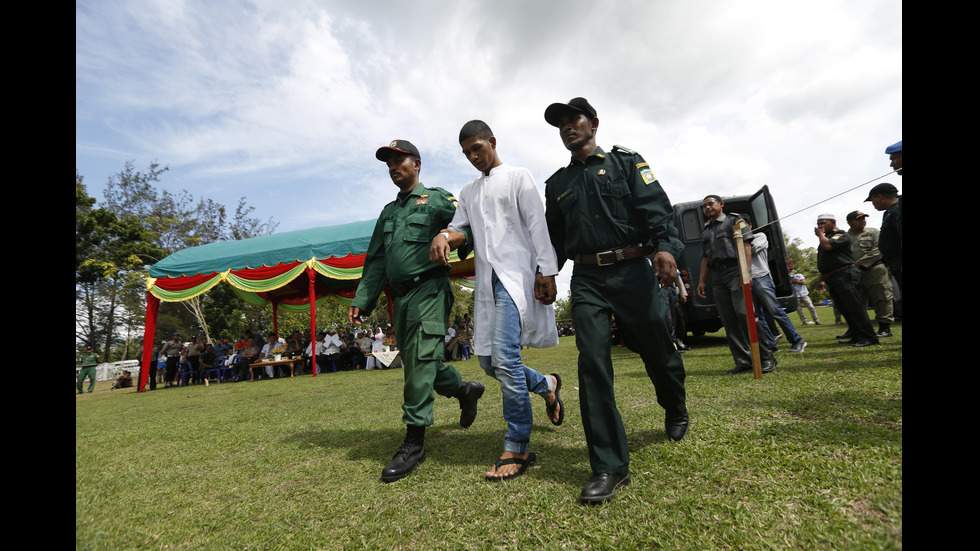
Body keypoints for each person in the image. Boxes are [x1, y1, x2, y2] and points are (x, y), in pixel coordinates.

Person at [542, 98, 688, 503]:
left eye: (575, 118)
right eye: (562, 123)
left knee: (658, 348)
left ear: (594, 123)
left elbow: (658, 211)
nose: (568, 126)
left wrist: (667, 249)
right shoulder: (556, 185)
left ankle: (674, 405)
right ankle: (608, 466)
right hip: (587, 277)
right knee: (591, 363)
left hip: (632, 270)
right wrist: (546, 272)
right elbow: (553, 240)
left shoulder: (626, 162)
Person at [431, 119, 562, 481]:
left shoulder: (519, 177)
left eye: (478, 148)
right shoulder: (469, 190)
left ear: (492, 141)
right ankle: (547, 385)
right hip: (485, 286)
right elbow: (460, 228)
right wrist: (445, 234)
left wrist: (546, 271)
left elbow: (538, 224)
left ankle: (517, 446)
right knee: (488, 364)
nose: (474, 157)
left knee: (505, 359)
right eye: (467, 153)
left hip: (516, 279)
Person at [348, 139, 485, 483]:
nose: (394, 167)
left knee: (420, 362)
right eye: (389, 163)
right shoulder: (388, 213)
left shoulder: (436, 198)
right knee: (422, 363)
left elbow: (465, 227)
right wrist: (362, 299)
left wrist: (448, 235)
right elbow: (376, 260)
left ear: (417, 164)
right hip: (401, 299)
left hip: (429, 289)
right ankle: (464, 390)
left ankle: (415, 440)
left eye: (400, 161)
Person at [696, 196, 777, 374]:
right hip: (717, 276)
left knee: (745, 314)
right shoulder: (706, 230)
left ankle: (766, 357)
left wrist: (745, 271)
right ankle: (743, 361)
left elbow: (746, 246)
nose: (707, 207)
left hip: (735, 271)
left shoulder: (735, 220)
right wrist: (702, 281)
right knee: (728, 319)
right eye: (704, 206)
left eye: (711, 204)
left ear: (721, 205)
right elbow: (705, 258)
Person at [814, 214, 879, 347]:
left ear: (833, 222)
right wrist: (822, 280)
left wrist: (820, 235)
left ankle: (869, 337)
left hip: (845, 274)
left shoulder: (840, 235)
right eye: (818, 223)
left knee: (854, 308)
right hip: (833, 277)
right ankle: (856, 335)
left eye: (824, 223)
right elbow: (826, 262)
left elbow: (828, 247)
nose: (820, 226)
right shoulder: (826, 238)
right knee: (844, 309)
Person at [746, 219, 807, 353]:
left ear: (749, 225)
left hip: (761, 277)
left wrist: (742, 240)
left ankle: (797, 340)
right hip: (746, 280)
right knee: (758, 316)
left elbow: (752, 248)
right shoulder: (736, 242)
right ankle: (771, 345)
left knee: (775, 310)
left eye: (742, 225)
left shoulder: (760, 236)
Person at [845, 210, 894, 337]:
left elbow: (878, 250)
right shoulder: (845, 237)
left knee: (882, 297)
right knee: (856, 302)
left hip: (875, 269)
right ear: (850, 222)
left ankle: (884, 328)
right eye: (859, 219)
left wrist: (859, 264)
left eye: (864, 218)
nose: (863, 221)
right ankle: (859, 330)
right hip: (854, 274)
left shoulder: (874, 232)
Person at [866, 182, 902, 294]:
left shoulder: (897, 210)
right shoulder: (890, 212)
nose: (873, 204)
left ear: (879, 197)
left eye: (872, 200)